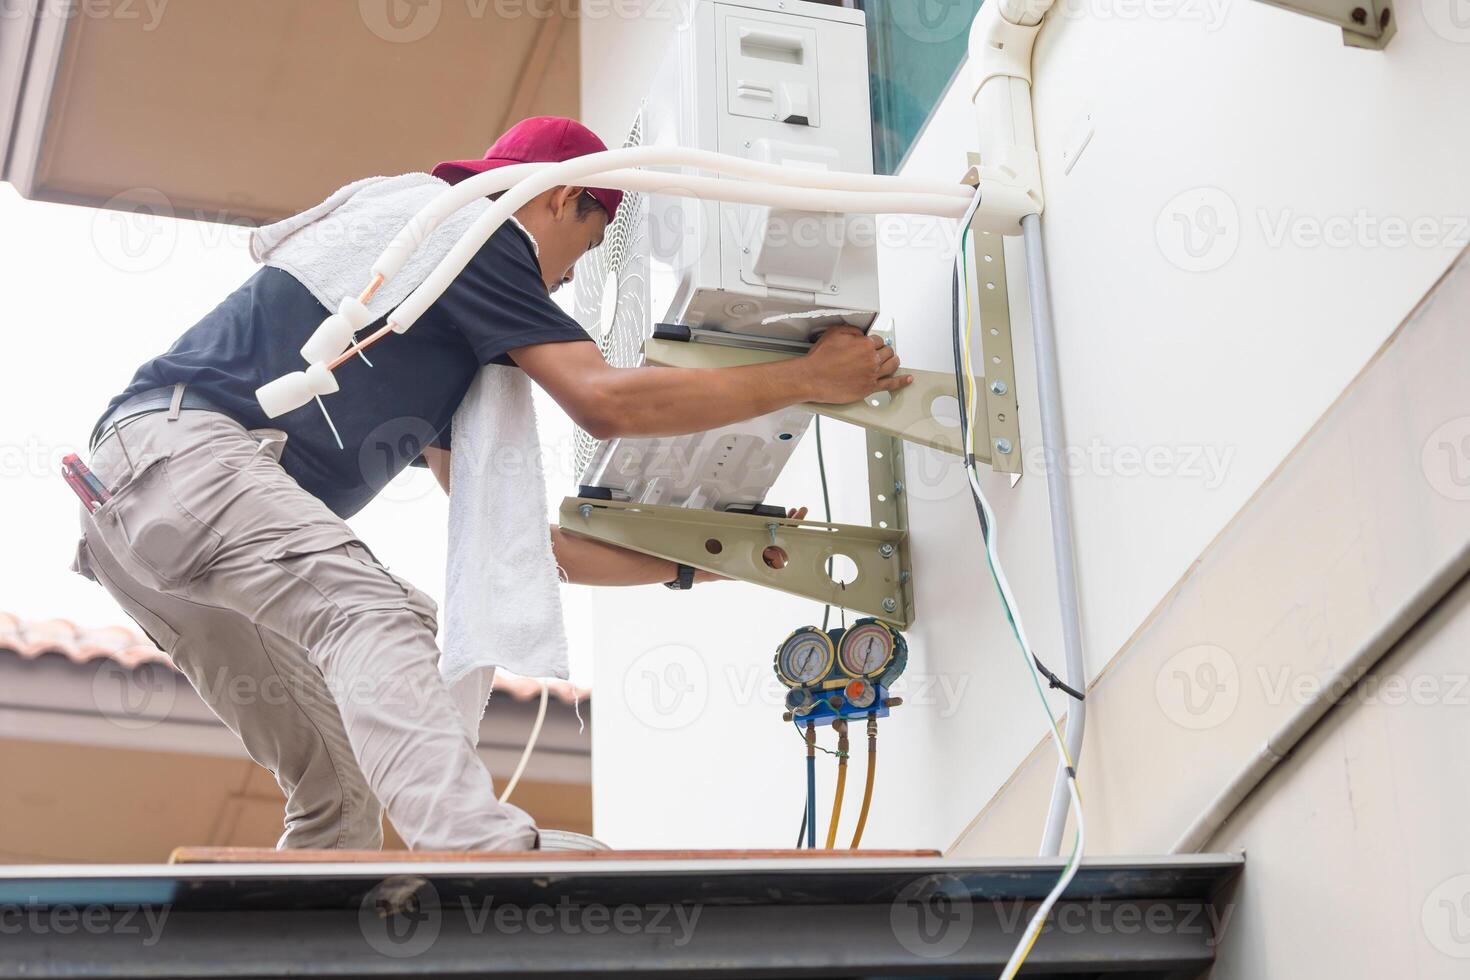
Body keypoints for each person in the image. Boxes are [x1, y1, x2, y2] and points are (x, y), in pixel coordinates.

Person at [72, 116, 912, 852]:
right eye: (585, 246)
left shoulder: (430, 316)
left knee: (341, 786)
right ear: (557, 198)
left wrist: (703, 562)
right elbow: (603, 401)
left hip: (143, 523)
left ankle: (301, 937)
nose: (569, 281)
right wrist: (808, 376)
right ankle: (483, 853)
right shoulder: (475, 234)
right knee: (375, 616)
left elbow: (527, 549)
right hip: (186, 458)